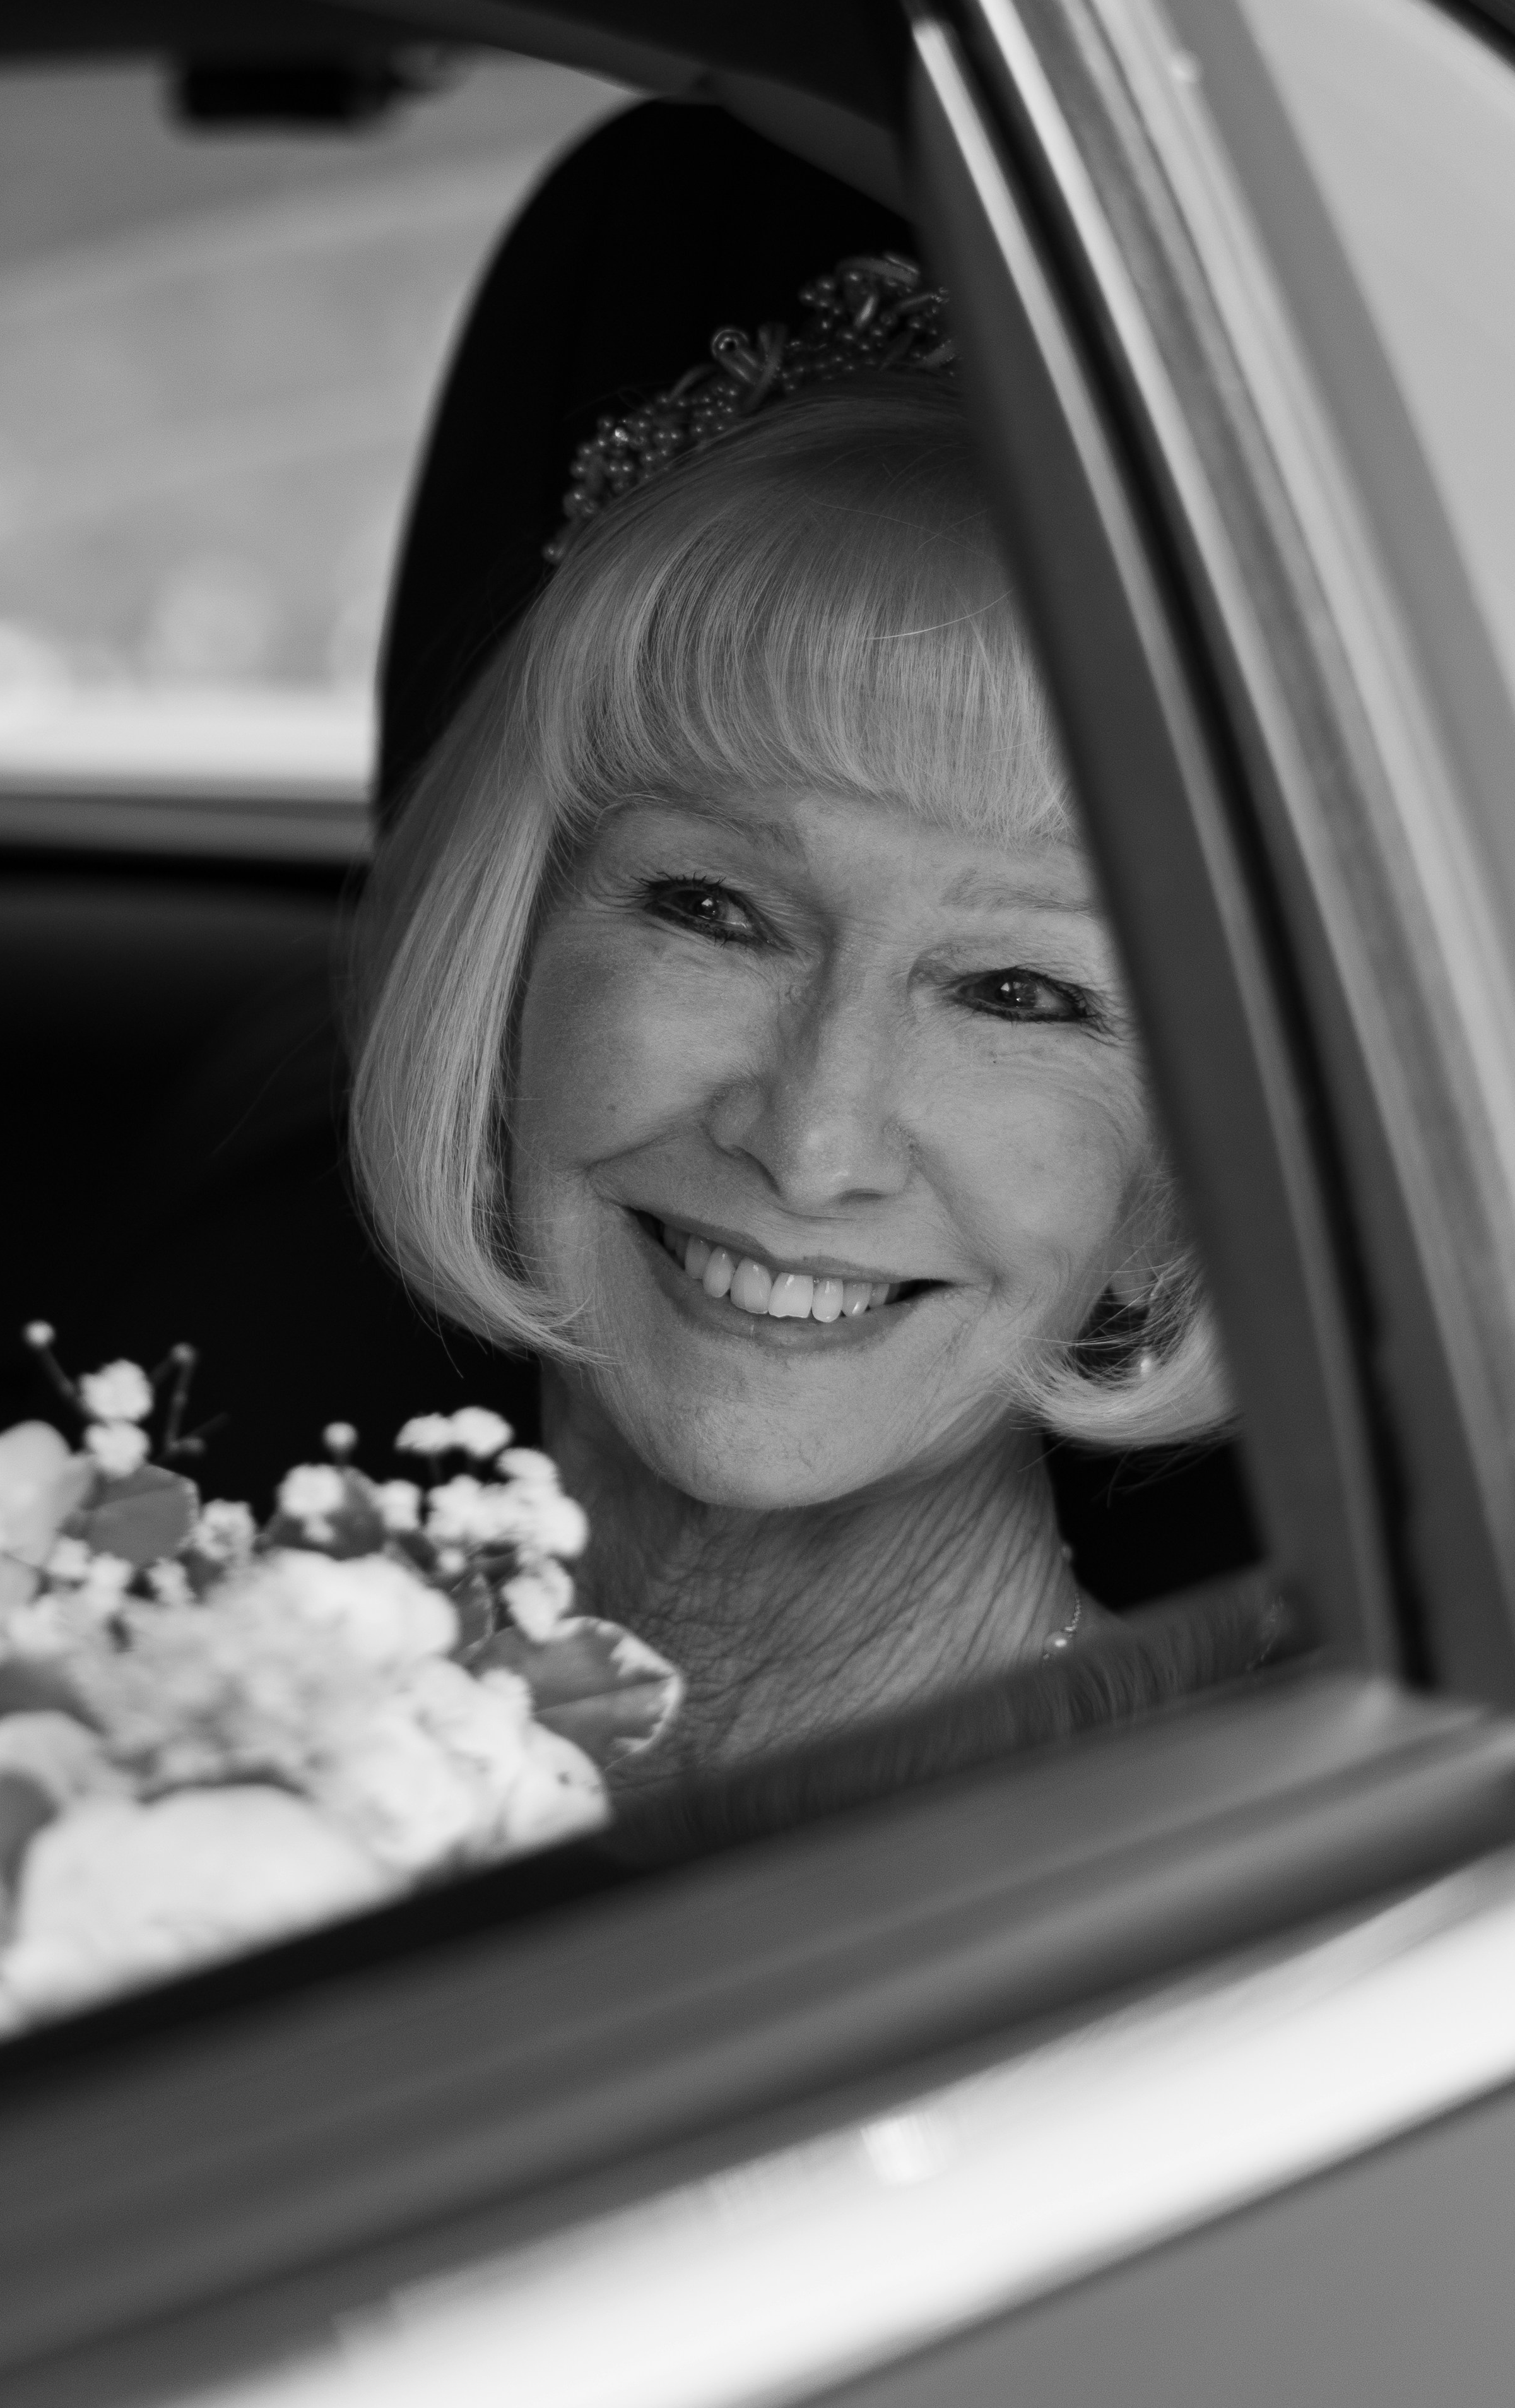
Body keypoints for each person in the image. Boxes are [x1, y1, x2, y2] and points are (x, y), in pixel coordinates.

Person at [350, 256, 1233, 1770]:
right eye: (717, 914)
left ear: (1181, 1191)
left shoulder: (1301, 1905)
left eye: (1020, 995)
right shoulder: (126, 1694)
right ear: (502, 975)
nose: (814, 1142)